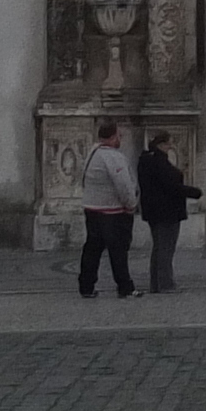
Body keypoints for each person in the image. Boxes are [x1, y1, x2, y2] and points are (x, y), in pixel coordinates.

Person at [77, 120, 139, 300]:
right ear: (112, 137)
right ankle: (125, 287)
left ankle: (86, 286)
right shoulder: (113, 157)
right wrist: (131, 204)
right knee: (118, 250)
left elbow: (83, 178)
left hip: (91, 207)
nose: (120, 138)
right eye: (119, 135)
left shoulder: (92, 153)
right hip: (111, 211)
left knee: (92, 249)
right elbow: (124, 185)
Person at [135, 130, 194, 293]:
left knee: (159, 247)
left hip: (154, 210)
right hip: (167, 211)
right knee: (166, 248)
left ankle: (156, 283)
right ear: (161, 144)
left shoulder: (146, 160)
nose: (170, 147)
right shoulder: (159, 162)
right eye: (168, 144)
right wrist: (192, 192)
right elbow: (171, 186)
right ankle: (165, 283)